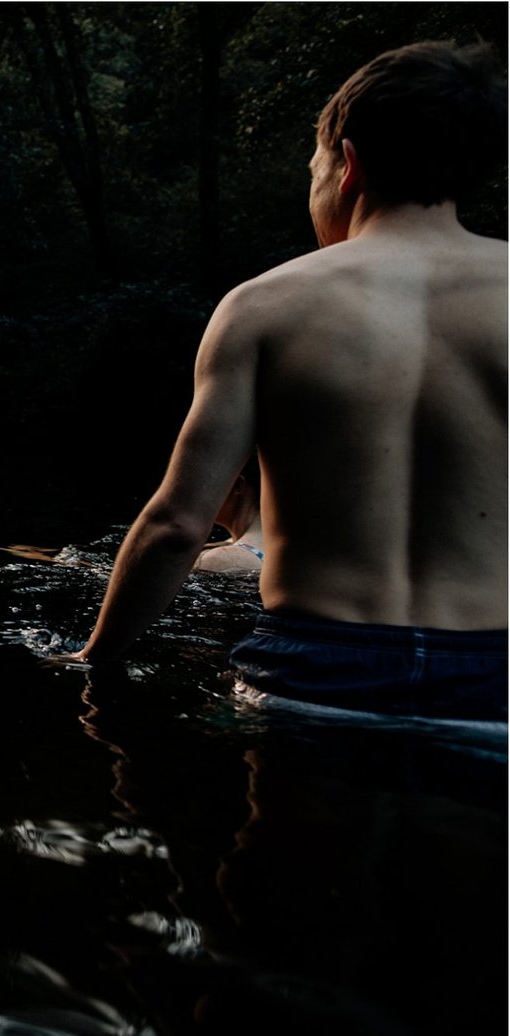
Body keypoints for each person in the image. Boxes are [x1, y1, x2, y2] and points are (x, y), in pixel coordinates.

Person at [70, 41, 507, 719]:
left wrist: (93, 660)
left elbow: (179, 525)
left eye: (314, 168)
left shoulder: (266, 304)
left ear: (349, 165)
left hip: (317, 667)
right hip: (492, 672)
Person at [193, 469, 265, 574]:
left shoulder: (225, 559)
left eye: (203, 483)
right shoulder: (282, 546)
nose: (194, 495)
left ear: (236, 485)